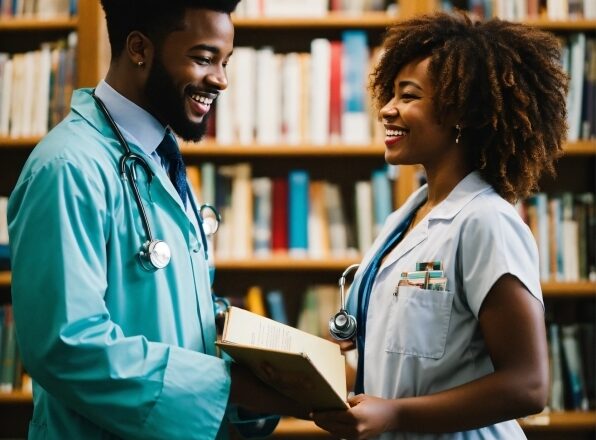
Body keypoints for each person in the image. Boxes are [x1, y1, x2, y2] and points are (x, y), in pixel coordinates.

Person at [7, 1, 308, 439]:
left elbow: (168, 313)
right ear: (139, 49)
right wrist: (232, 389)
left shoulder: (158, 156)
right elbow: (66, 346)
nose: (221, 79)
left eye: (225, 62)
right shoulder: (67, 167)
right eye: (203, 58)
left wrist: (274, 370)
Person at [313, 11, 568, 440]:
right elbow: (403, 359)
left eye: (408, 96)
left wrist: (396, 414)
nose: (387, 110)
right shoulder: (405, 219)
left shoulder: (487, 222)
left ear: (461, 113)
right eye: (391, 94)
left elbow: (528, 385)